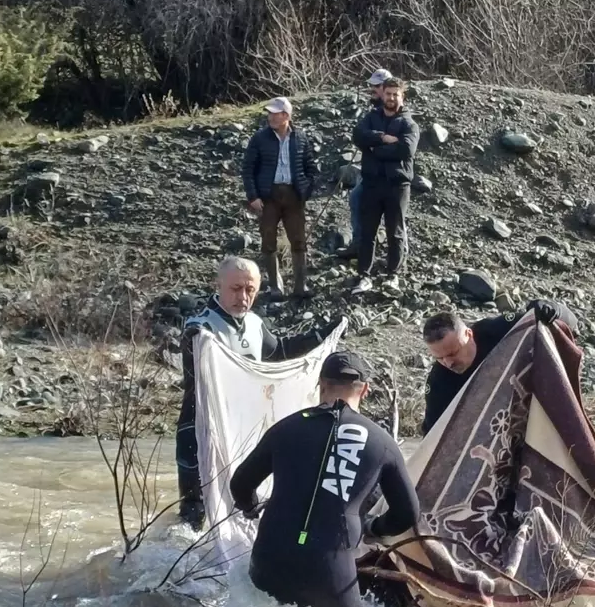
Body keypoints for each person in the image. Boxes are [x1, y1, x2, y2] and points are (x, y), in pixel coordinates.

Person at [228, 350, 420, 607]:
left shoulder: (286, 428)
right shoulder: (381, 442)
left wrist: (251, 507)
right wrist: (372, 528)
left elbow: (240, 484)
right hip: (332, 568)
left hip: (271, 556)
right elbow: (407, 514)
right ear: (365, 390)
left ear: (321, 384)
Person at [175, 256, 344, 529]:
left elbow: (279, 352)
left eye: (250, 290)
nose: (243, 297)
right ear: (218, 285)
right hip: (199, 431)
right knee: (194, 516)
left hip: (243, 429)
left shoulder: (254, 324)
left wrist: (321, 334)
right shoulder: (200, 327)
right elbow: (196, 366)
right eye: (235, 288)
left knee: (242, 504)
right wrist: (195, 341)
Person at [420, 300, 579, 435]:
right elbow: (433, 438)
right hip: (494, 433)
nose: (448, 363)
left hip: (539, 406)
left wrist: (552, 309)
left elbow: (571, 324)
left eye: (453, 353)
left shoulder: (497, 331)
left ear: (469, 334)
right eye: (439, 358)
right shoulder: (439, 383)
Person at [241, 96, 319, 300]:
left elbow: (310, 166)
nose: (270, 117)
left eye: (275, 113)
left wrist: (306, 190)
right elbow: (248, 169)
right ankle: (275, 287)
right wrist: (253, 196)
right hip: (269, 197)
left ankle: (300, 287)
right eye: (269, 113)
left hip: (294, 196)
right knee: (268, 241)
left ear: (286, 115)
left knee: (299, 240)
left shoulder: (300, 137)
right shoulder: (260, 138)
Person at [350, 77, 420, 294]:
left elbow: (406, 150)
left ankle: (393, 275)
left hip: (397, 186)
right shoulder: (371, 118)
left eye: (395, 94)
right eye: (388, 94)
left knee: (395, 232)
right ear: (383, 95)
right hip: (372, 183)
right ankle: (364, 276)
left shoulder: (409, 124)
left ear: (402, 96)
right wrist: (382, 137)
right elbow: (358, 136)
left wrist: (375, 149)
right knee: (367, 232)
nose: (391, 98)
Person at [336, 68, 392, 262]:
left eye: (376, 86)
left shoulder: (394, 111)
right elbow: (358, 135)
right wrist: (379, 138)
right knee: (356, 198)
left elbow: (398, 143)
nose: (372, 89)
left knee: (393, 215)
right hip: (371, 170)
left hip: (390, 173)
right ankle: (360, 245)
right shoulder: (373, 112)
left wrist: (373, 142)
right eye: (372, 86)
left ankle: (393, 257)